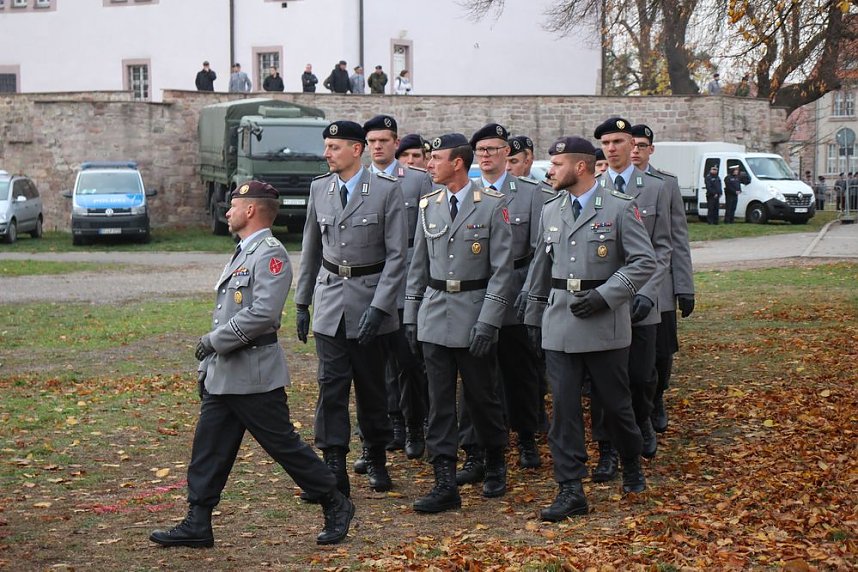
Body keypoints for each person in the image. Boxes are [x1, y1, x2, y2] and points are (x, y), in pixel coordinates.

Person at [149, 180, 354, 548]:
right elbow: (226, 311)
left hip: (254, 374)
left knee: (284, 446)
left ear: (251, 210)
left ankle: (335, 502)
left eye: (233, 205)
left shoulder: (269, 254)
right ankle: (198, 521)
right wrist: (207, 365)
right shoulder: (244, 251)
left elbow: (262, 314)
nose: (227, 212)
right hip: (224, 371)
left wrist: (213, 343)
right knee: (209, 448)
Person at [524, 136, 656, 521]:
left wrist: (608, 296)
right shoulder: (551, 210)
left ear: (580, 167)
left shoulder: (617, 208)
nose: (550, 171)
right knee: (564, 409)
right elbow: (540, 267)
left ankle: (630, 460)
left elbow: (643, 262)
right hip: (561, 320)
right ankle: (570, 488)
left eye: (557, 164)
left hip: (603, 321)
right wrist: (533, 318)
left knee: (615, 405)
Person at [295, 120, 407, 500]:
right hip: (330, 302)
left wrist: (381, 307)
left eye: (334, 147)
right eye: (326, 147)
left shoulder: (385, 190)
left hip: (371, 303)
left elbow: (397, 257)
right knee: (331, 387)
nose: (327, 153)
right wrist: (301, 302)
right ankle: (333, 466)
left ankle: (375, 455)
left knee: (373, 388)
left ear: (356, 150)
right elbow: (311, 249)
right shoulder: (318, 188)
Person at [404, 133, 513, 513]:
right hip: (435, 313)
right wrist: (411, 314)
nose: (429, 164)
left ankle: (495, 461)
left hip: (474, 314)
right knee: (439, 403)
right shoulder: (428, 205)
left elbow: (502, 272)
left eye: (437, 158)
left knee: (483, 397)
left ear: (458, 164)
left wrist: (490, 321)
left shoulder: (491, 206)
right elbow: (417, 264)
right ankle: (444, 481)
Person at [456, 124, 547, 478]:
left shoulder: (529, 192)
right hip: (477, 296)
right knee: (476, 377)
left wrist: (532, 292)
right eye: (480, 150)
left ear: (507, 154)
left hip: (517, 294)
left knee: (519, 373)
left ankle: (525, 437)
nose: (486, 155)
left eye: (493, 149)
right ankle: (475, 449)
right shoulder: (468, 192)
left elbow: (540, 248)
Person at [586, 119, 670, 480]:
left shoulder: (655, 187)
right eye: (606, 142)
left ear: (632, 144)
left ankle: (642, 420)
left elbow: (663, 246)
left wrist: (651, 294)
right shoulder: (592, 188)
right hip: (607, 301)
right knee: (603, 384)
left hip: (643, 299)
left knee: (639, 374)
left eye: (619, 141)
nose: (613, 148)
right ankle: (607, 450)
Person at [359, 115, 432, 462]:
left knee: (407, 361)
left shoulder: (417, 181)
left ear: (396, 143)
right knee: (373, 363)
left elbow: (426, 238)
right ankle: (390, 426)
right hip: (369, 286)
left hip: (404, 283)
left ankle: (414, 425)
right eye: (372, 141)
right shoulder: (357, 180)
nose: (377, 147)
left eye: (384, 141)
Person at [628, 125, 695, 436]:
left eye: (642, 145)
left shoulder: (666, 184)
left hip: (660, 284)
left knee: (662, 351)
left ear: (650, 150)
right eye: (633, 144)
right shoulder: (612, 185)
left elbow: (677, 239)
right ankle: (639, 405)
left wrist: (684, 287)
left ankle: (657, 399)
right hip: (627, 282)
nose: (636, 151)